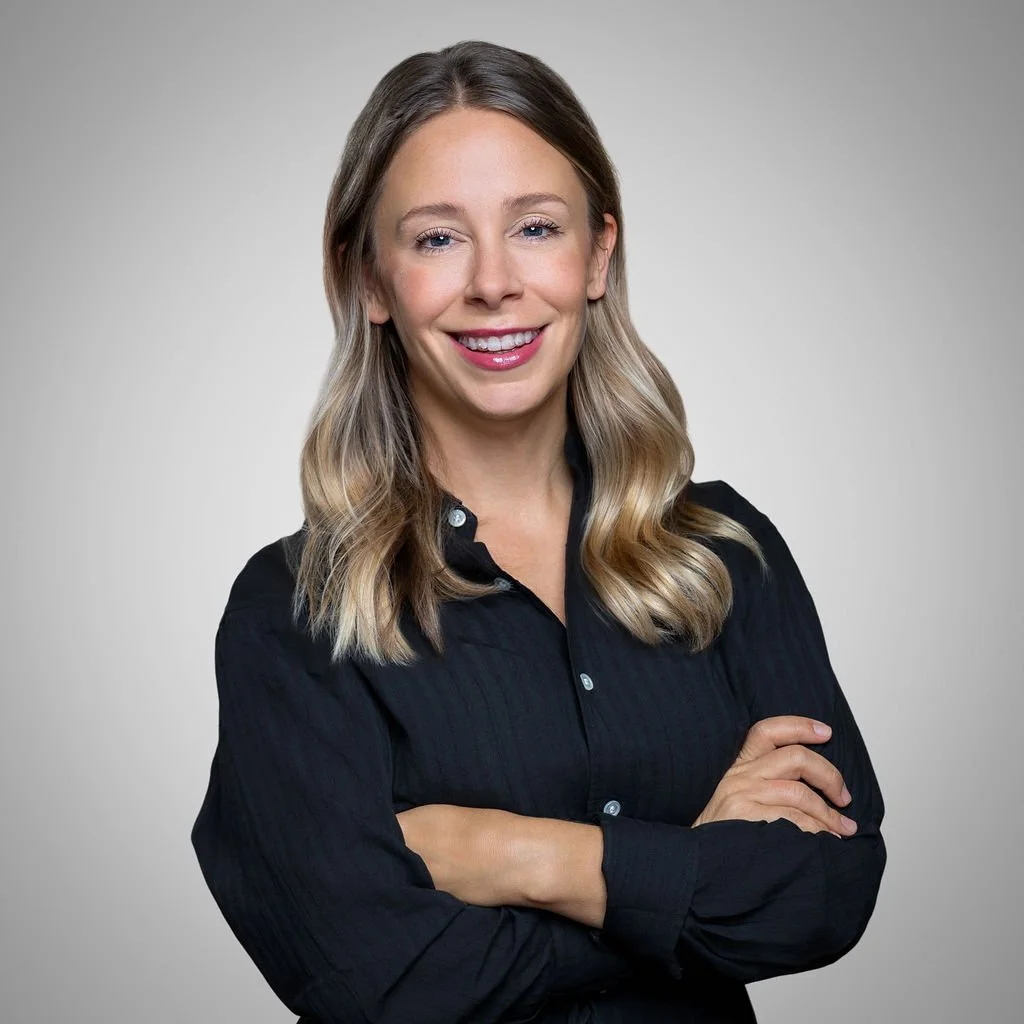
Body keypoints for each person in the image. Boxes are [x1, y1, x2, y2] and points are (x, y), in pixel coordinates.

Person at [191, 39, 886, 1024]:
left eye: (535, 228)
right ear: (370, 280)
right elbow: (378, 984)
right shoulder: (293, 612)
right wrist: (686, 866)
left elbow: (826, 891)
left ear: (597, 255)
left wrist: (510, 854)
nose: (492, 283)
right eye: (437, 238)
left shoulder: (728, 552)